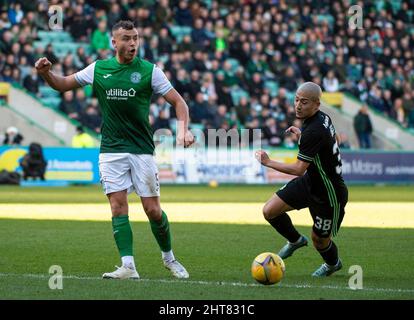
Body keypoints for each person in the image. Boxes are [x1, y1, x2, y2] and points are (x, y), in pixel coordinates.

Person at [35, 20, 195, 280]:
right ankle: (128, 266)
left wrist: (183, 130)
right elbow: (63, 84)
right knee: (118, 207)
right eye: (126, 39)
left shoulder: (150, 71)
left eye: (135, 38)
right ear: (114, 42)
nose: (132, 43)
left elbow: (179, 102)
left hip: (141, 149)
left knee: (152, 210)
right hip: (110, 149)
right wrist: (45, 74)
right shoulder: (99, 69)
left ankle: (169, 258)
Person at [255, 82, 348, 277]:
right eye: (296, 100)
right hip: (311, 182)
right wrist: (303, 138)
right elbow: (333, 141)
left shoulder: (314, 129)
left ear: (316, 104)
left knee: (320, 240)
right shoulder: (322, 119)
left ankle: (333, 264)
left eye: (304, 102)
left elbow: (298, 169)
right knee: (270, 211)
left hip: (328, 193)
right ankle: (296, 240)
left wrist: (269, 162)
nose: (298, 105)